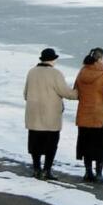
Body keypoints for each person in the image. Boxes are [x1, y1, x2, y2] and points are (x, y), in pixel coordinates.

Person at [23, 47, 77, 180]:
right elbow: (66, 93)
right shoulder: (55, 74)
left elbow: (25, 94)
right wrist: (79, 92)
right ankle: (47, 170)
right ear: (53, 59)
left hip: (34, 116)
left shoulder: (32, 72)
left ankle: (36, 169)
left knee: (35, 145)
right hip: (50, 117)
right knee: (51, 145)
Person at [74, 47, 103, 183]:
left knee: (86, 143)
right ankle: (98, 174)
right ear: (100, 59)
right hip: (99, 115)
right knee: (100, 145)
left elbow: (76, 90)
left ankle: (88, 172)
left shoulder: (82, 72)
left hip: (83, 114)